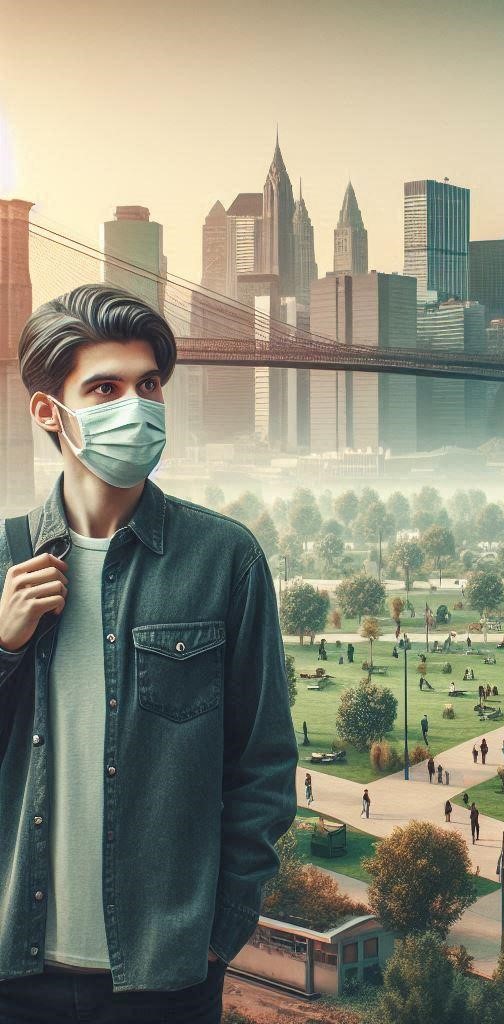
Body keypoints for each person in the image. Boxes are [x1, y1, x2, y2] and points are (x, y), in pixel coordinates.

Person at [0, 284, 297, 1012]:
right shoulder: (1, 557)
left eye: (149, 385)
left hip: (167, 974)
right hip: (15, 967)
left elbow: (262, 763)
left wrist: (221, 930)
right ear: (49, 411)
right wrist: (3, 646)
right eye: (104, 387)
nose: (135, 406)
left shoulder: (225, 559)